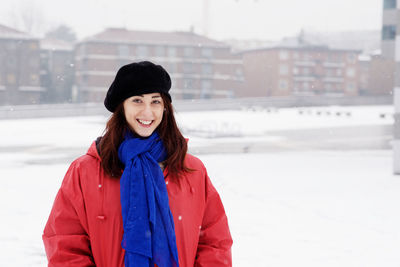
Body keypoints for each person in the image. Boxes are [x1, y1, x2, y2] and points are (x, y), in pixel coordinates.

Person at [42, 61, 233, 267]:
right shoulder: (85, 171)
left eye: (155, 101)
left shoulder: (192, 170)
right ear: (122, 107)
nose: (147, 112)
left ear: (165, 107)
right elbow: (64, 244)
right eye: (137, 101)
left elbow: (214, 241)